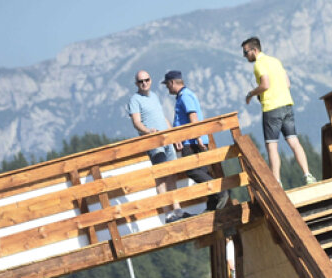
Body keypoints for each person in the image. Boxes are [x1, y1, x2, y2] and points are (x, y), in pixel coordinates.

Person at [241, 37, 316, 185]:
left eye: (246, 52)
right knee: (294, 141)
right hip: (286, 104)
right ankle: (308, 175)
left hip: (271, 108)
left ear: (254, 50)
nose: (245, 56)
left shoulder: (259, 64)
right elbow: (287, 83)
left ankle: (277, 182)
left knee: (272, 146)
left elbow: (265, 84)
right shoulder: (275, 61)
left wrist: (251, 93)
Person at [161, 71, 228, 215]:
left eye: (167, 84)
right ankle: (212, 205)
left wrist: (197, 137)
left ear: (172, 82)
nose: (167, 88)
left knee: (192, 170)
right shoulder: (184, 95)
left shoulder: (185, 96)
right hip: (192, 140)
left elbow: (193, 116)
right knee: (202, 172)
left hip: (191, 142)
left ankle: (220, 191)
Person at [127, 70, 180, 222]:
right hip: (153, 142)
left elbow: (161, 117)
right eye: (140, 81)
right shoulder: (135, 100)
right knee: (161, 177)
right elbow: (136, 122)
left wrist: (173, 134)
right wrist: (148, 131)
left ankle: (177, 209)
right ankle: (167, 213)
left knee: (172, 174)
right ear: (136, 84)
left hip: (166, 139)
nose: (144, 83)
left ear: (150, 80)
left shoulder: (155, 96)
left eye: (146, 80)